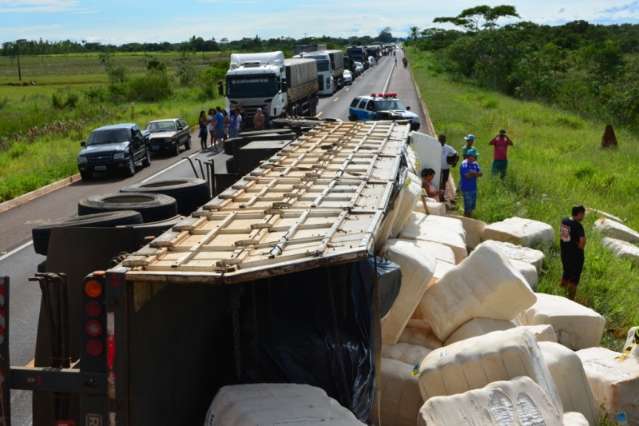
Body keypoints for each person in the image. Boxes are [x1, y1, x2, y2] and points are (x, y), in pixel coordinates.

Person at [560, 206, 587, 300]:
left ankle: (561, 292)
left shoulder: (565, 221)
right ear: (579, 214)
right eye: (583, 214)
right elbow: (582, 241)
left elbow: (564, 237)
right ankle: (571, 298)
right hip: (576, 256)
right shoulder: (578, 225)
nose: (584, 216)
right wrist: (579, 248)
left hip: (565, 253)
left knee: (566, 272)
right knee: (574, 277)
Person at [459, 148, 482, 217]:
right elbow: (467, 176)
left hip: (473, 188)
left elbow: (480, 174)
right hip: (466, 189)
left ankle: (469, 218)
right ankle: (466, 218)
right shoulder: (464, 164)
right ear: (469, 156)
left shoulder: (475, 164)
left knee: (472, 207)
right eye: (475, 156)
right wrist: (475, 173)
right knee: (468, 207)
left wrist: (472, 172)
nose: (476, 157)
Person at [438, 134, 458, 203]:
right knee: (438, 181)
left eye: (442, 140)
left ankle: (442, 196)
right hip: (438, 168)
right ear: (438, 139)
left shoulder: (448, 148)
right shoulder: (435, 146)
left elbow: (456, 154)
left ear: (445, 140)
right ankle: (438, 195)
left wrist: (454, 163)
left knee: (443, 182)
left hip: (446, 168)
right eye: (440, 140)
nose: (441, 141)